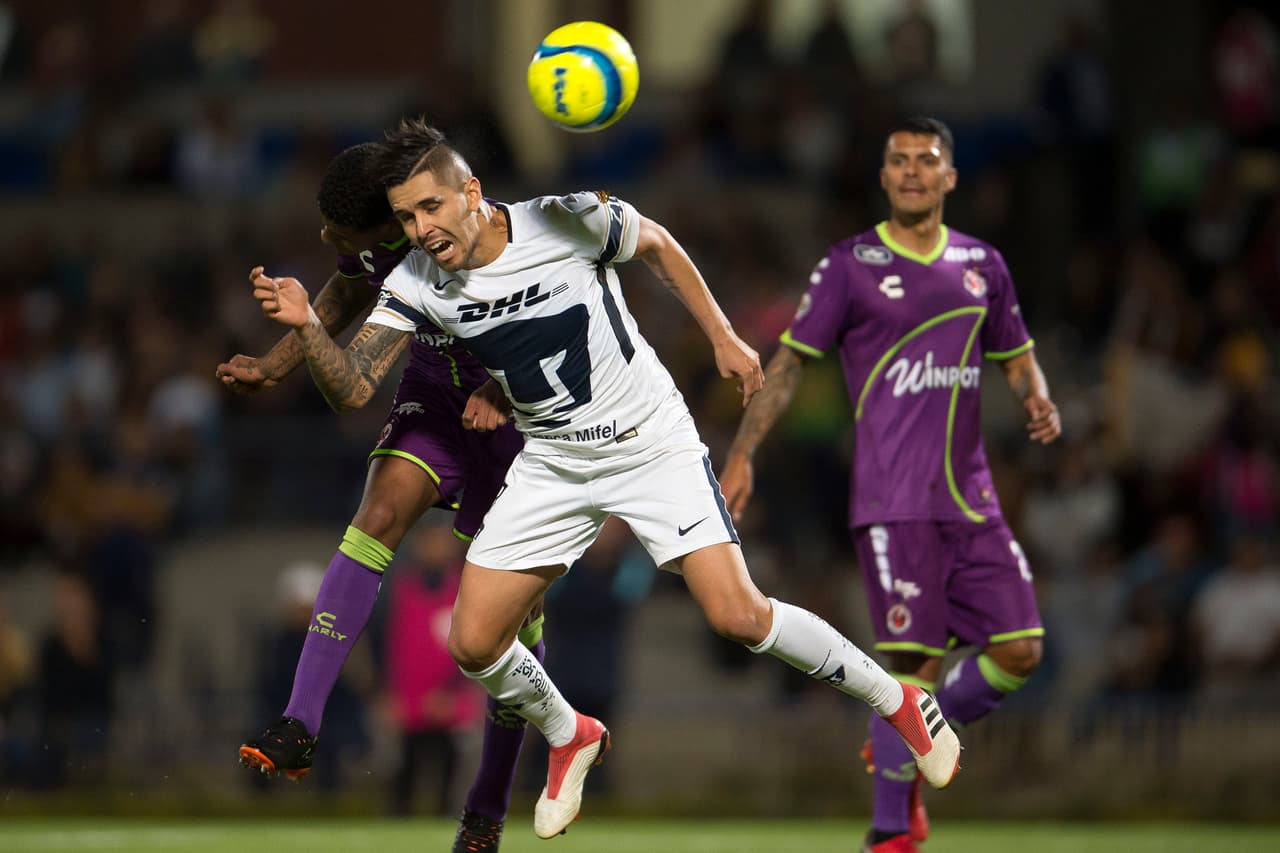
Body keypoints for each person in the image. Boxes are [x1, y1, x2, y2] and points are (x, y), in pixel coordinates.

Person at [248, 116, 960, 840]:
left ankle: (897, 699)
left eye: (432, 207)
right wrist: (308, 329)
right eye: (406, 217)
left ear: (471, 192)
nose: (422, 228)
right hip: (554, 463)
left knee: (738, 616)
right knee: (473, 641)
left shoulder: (564, 220)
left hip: (648, 445)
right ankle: (571, 732)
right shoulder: (417, 280)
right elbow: (355, 386)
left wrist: (721, 334)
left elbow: (656, 243)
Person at [719, 116, 1062, 853]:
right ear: (883, 176)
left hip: (971, 498)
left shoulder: (983, 264)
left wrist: (1035, 393)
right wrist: (743, 450)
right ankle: (887, 832)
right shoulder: (850, 265)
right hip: (892, 504)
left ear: (950, 177)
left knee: (1022, 648)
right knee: (910, 670)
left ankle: (904, 738)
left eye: (926, 160)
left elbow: (1015, 353)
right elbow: (788, 365)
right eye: (898, 160)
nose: (911, 170)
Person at [217, 142, 535, 852]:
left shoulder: (474, 240)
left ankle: (485, 808)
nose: (331, 243)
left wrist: (507, 388)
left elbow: (356, 382)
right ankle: (300, 721)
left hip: (516, 416)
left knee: (509, 626)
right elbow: (349, 289)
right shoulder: (379, 248)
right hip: (433, 397)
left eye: (342, 234)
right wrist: (275, 365)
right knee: (380, 510)